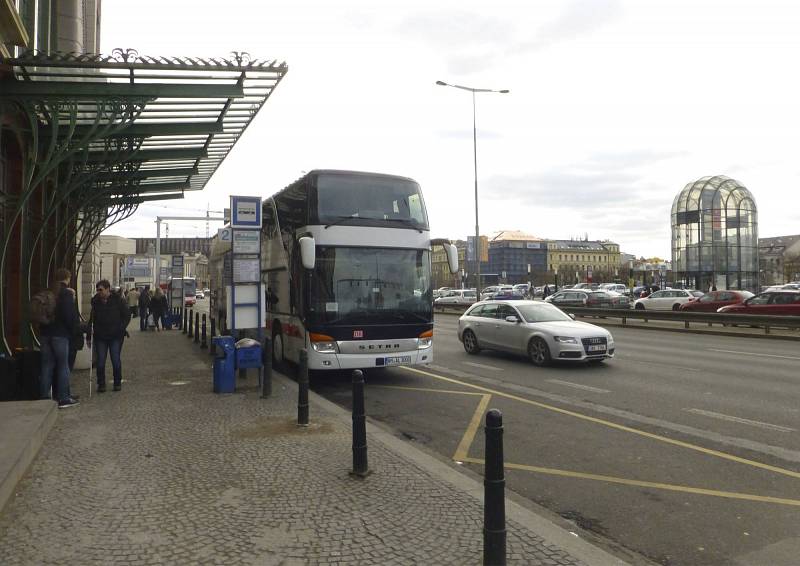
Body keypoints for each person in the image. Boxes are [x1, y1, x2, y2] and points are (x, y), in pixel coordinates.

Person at [37, 268, 80, 408]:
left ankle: (44, 397)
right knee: (63, 366)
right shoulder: (65, 293)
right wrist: (73, 331)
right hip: (60, 335)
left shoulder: (47, 291)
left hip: (45, 334)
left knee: (47, 365)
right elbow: (69, 316)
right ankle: (63, 398)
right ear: (67, 278)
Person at [87, 279, 130, 392]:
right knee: (100, 361)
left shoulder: (118, 300)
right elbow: (92, 319)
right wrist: (88, 335)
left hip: (115, 335)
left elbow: (126, 315)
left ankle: (117, 382)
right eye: (97, 290)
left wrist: (121, 328)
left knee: (115, 359)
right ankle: (101, 384)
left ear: (107, 289)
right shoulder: (96, 302)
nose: (99, 292)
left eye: (101, 290)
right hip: (101, 336)